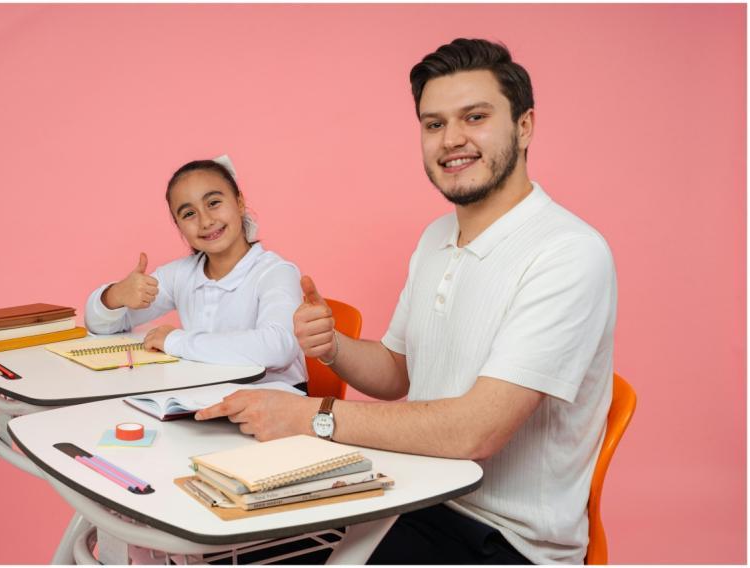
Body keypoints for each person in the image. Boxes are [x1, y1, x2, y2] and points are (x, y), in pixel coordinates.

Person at [196, 38, 616, 564]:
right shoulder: (436, 237)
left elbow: (474, 431)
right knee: (226, 542)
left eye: (475, 117)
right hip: (409, 490)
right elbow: (397, 371)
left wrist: (311, 417)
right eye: (434, 123)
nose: (452, 139)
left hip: (499, 539)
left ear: (525, 126)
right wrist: (334, 348)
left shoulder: (569, 253)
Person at [84, 156, 307, 388]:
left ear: (240, 202)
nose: (206, 221)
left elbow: (278, 347)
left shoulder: (275, 272)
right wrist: (115, 296)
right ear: (178, 225)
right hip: (208, 397)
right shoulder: (180, 275)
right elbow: (99, 326)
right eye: (189, 214)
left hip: (277, 404)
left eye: (213, 203)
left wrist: (176, 341)